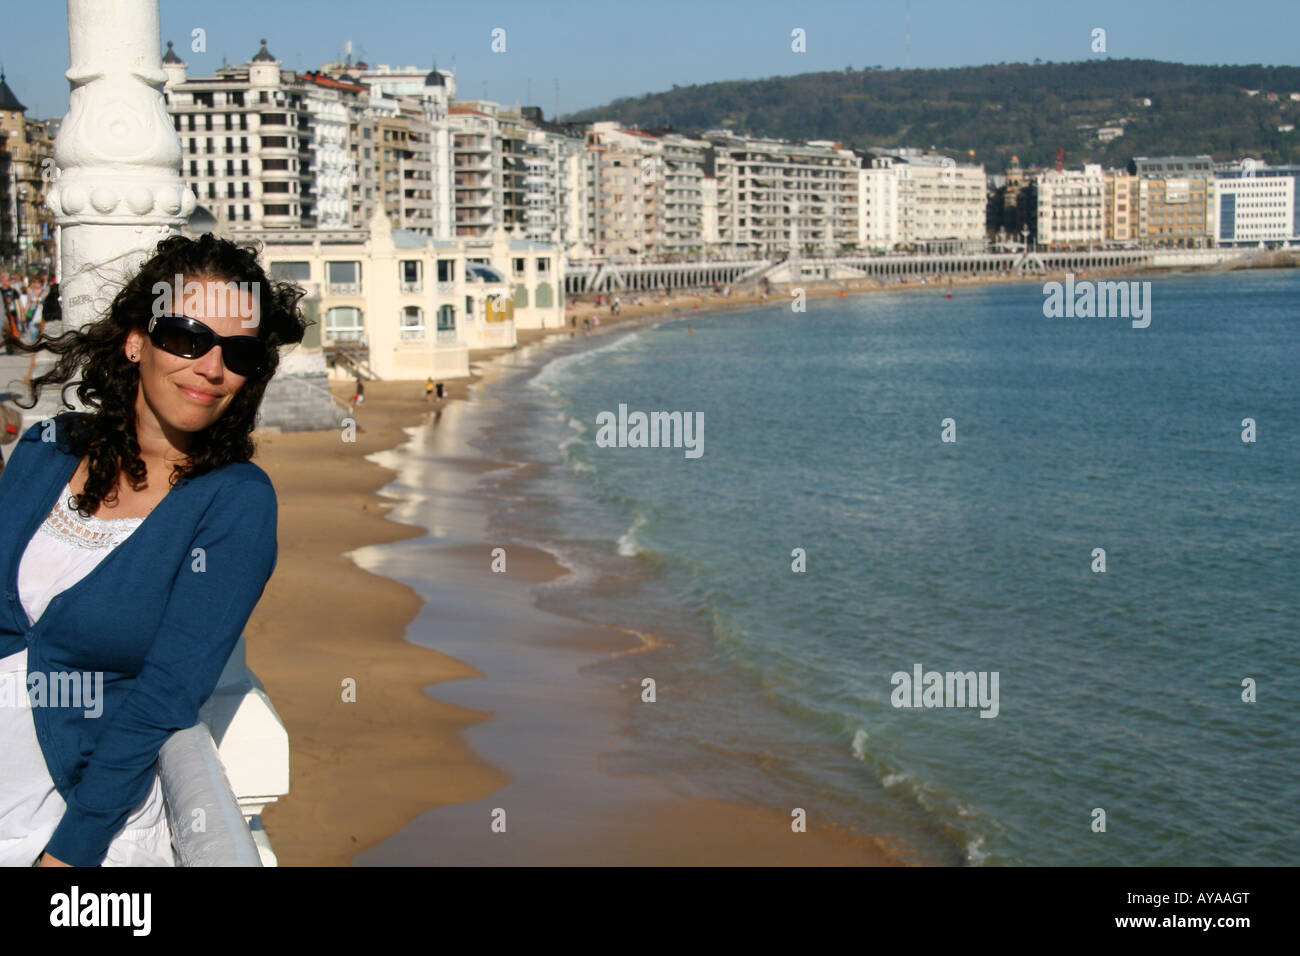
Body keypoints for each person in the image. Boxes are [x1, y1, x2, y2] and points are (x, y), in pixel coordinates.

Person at [0, 232, 306, 867]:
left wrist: (68, 855)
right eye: (188, 337)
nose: (211, 367)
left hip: (72, 822)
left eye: (239, 352)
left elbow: (166, 695)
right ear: (136, 339)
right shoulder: (46, 448)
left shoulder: (233, 502)